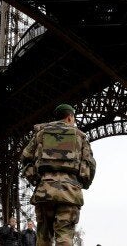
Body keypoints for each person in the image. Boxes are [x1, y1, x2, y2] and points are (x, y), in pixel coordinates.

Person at [20, 104, 96, 246]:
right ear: (69, 117)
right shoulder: (80, 136)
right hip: (70, 192)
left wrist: (36, 179)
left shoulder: (40, 134)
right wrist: (81, 183)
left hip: (45, 191)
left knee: (43, 238)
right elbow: (90, 165)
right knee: (65, 237)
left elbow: (25, 159)